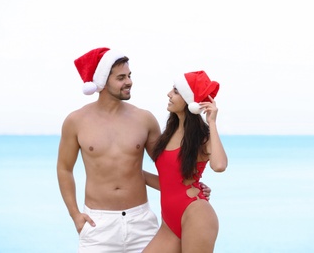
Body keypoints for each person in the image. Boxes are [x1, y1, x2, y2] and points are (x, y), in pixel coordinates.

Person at [56, 47, 211, 253]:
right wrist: (75, 214)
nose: (129, 81)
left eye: (129, 76)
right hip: (98, 224)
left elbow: (168, 166)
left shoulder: (143, 119)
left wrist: (191, 186)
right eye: (121, 77)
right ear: (102, 82)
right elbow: (64, 169)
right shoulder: (76, 121)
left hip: (141, 223)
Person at [143, 70, 228, 252]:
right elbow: (169, 182)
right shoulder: (168, 134)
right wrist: (134, 174)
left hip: (197, 214)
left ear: (190, 101)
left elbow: (219, 165)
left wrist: (212, 122)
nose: (169, 94)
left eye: (175, 91)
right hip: (169, 222)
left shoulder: (202, 138)